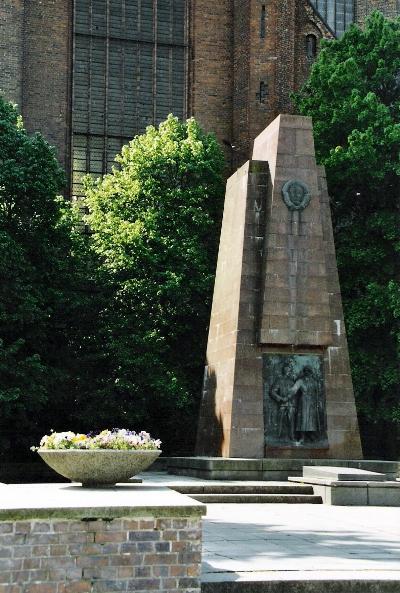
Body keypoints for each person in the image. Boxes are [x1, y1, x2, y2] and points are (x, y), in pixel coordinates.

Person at [291, 366, 320, 444]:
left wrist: (317, 403)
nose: (307, 372)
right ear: (304, 372)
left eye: (308, 371)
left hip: (312, 402)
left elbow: (317, 393)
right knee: (303, 418)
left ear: (310, 372)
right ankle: (302, 436)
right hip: (303, 401)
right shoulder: (300, 381)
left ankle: (311, 434)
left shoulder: (314, 382)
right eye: (305, 371)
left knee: (311, 419)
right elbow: (293, 390)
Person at [270, 362, 296, 441]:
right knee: (280, 420)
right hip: (282, 404)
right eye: (286, 370)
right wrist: (280, 398)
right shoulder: (279, 380)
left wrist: (288, 398)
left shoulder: (292, 381)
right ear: (283, 370)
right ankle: (278, 436)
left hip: (290, 404)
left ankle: (292, 436)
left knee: (291, 420)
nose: (287, 371)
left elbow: (294, 392)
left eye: (289, 370)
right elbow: (272, 391)